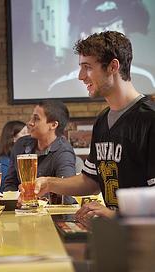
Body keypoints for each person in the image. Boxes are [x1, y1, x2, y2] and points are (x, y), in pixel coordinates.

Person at [34, 31, 155, 227]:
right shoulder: (102, 120)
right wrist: (48, 183)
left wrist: (111, 215)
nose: (81, 76)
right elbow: (91, 182)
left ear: (113, 66)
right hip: (116, 238)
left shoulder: (149, 118)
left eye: (87, 67)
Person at [4, 100, 76, 204]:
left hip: (50, 217)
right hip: (21, 213)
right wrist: (15, 200)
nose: (30, 123)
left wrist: (35, 195)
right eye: (32, 118)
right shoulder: (21, 144)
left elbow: (68, 195)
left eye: (36, 119)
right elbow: (10, 183)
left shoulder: (64, 152)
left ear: (53, 125)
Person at [0, 121, 28, 192]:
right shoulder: (4, 161)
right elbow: (4, 189)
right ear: (13, 138)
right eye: (24, 133)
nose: (29, 135)